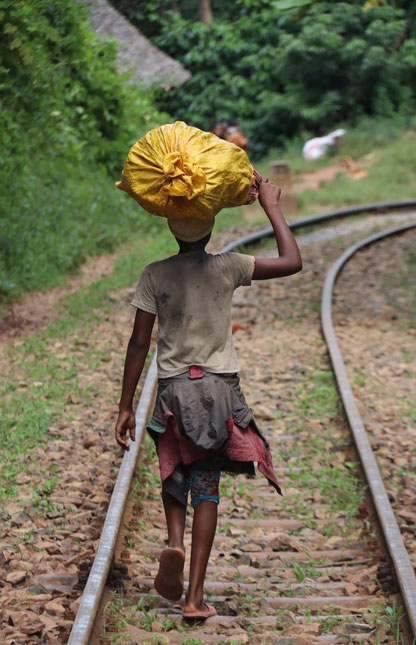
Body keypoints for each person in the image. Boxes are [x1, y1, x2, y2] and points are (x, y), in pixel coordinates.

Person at [114, 178, 302, 620]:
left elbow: (139, 343)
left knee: (175, 470)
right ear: (211, 226)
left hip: (173, 393)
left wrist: (125, 406)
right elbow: (292, 261)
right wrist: (272, 207)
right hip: (218, 392)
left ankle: (174, 542)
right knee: (207, 488)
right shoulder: (229, 266)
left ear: (171, 227)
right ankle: (195, 598)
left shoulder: (154, 274)